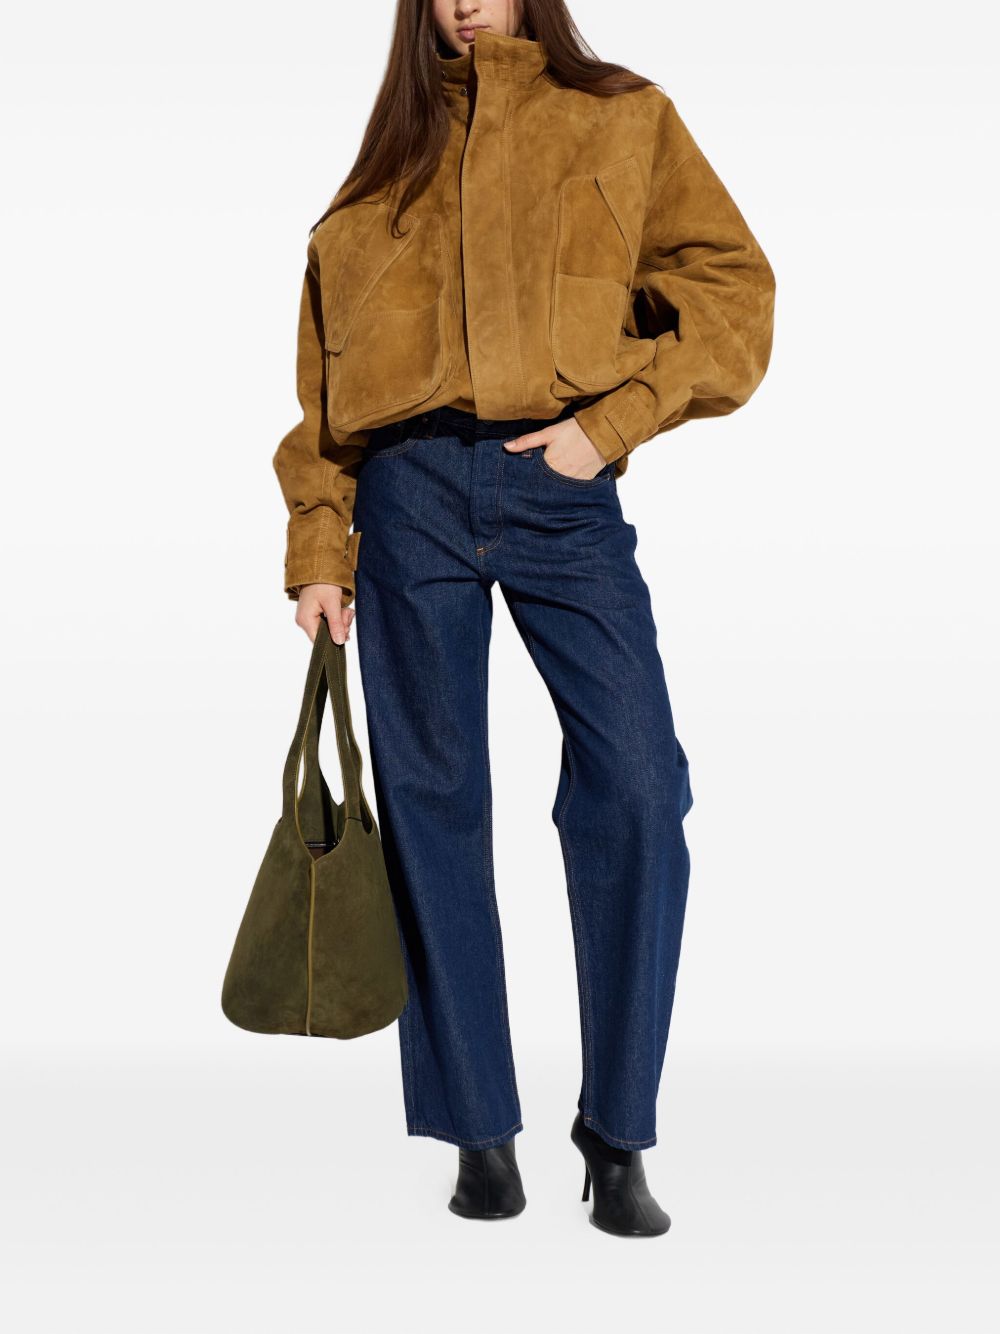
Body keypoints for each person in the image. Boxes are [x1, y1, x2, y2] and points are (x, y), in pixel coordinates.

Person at [272, 0, 775, 1238]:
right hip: (408, 499)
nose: (465, 0)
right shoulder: (376, 179)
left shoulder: (622, 121)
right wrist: (320, 549)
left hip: (562, 487)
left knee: (639, 784)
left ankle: (618, 1129)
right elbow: (324, 400)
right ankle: (476, 1128)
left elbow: (733, 294)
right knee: (431, 804)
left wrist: (610, 426)